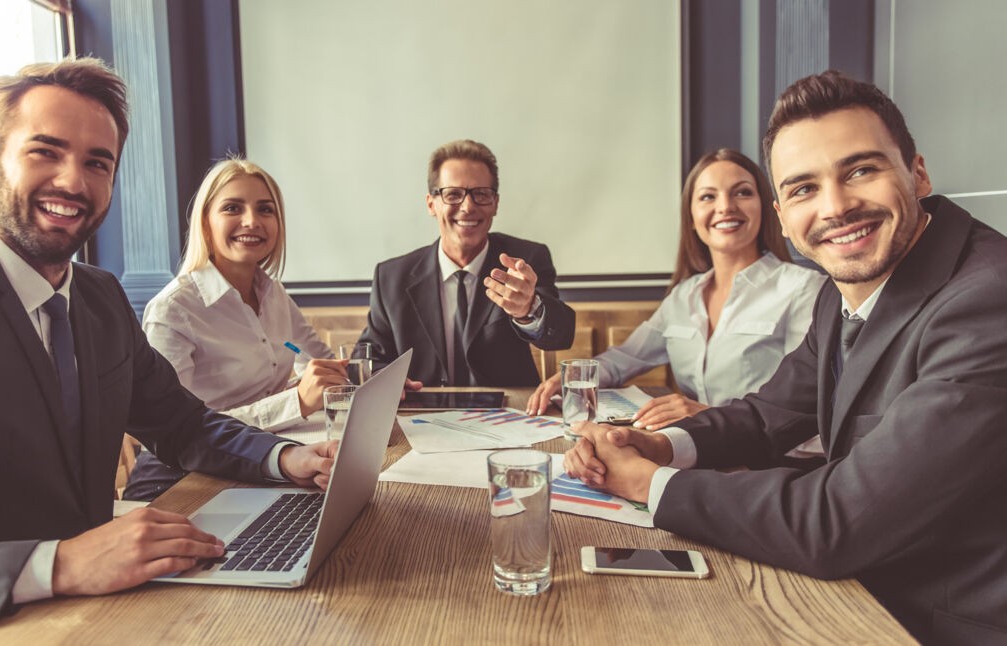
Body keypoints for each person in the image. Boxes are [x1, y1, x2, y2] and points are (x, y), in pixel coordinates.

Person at [0, 58, 337, 644]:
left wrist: (284, 459)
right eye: (45, 152)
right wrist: (60, 563)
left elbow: (183, 424)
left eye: (97, 162)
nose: (74, 182)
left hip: (98, 614)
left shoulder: (99, 298)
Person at [564, 70, 1007, 644]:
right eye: (803, 189)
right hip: (856, 591)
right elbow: (767, 413)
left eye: (861, 170)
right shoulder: (841, 288)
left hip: (934, 622)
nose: (837, 207)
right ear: (783, 213)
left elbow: (840, 521)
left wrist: (648, 483)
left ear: (917, 172)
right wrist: (659, 445)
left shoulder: (986, 299)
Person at [528, 149, 824, 442]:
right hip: (697, 451)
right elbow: (626, 358)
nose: (725, 207)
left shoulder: (804, 289)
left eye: (742, 193)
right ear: (692, 218)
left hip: (772, 463)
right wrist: (575, 380)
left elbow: (803, 412)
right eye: (708, 196)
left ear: (766, 208)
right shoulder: (683, 297)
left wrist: (707, 416)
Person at [122, 159, 349, 501]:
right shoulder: (174, 309)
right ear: (205, 222)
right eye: (232, 207)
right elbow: (180, 430)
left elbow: (319, 361)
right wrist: (295, 401)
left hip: (262, 465)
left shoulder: (275, 295)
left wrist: (363, 382)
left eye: (265, 209)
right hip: (181, 481)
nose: (252, 221)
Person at [358, 139, 575, 387]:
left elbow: (561, 336)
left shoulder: (526, 260)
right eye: (453, 195)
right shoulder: (391, 277)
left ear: (495, 203)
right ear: (432, 204)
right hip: (421, 414)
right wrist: (385, 381)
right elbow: (367, 357)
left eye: (481, 194)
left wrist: (529, 309)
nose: (468, 207)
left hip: (507, 416)